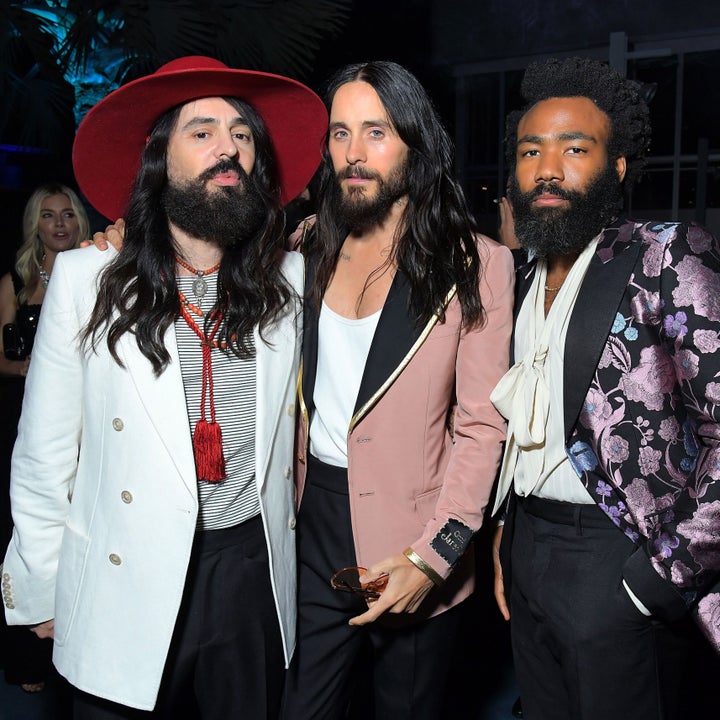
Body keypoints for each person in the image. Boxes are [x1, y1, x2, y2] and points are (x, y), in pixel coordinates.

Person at [2, 55, 326, 717]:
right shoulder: (87, 281)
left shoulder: (290, 283)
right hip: (128, 569)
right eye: (202, 131)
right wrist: (39, 589)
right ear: (159, 157)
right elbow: (43, 455)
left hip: (248, 570)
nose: (228, 148)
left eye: (241, 134)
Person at [281, 60, 514, 720]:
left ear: (416, 143)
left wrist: (434, 556)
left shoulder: (478, 264)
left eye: (376, 132)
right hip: (313, 518)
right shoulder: (306, 248)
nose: (354, 154)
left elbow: (482, 428)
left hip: (412, 532)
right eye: (340, 133)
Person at [491, 56, 720, 720]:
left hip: (618, 555)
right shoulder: (519, 278)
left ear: (616, 165)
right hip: (530, 548)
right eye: (531, 150)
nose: (549, 167)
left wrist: (663, 579)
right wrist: (509, 541)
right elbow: (525, 428)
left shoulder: (665, 253)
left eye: (575, 148)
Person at [0, 183, 89, 695]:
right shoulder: (14, 282)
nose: (59, 224)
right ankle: (27, 656)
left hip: (75, 420)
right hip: (18, 414)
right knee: (24, 528)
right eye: (49, 216)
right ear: (35, 223)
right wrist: (29, 368)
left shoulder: (95, 273)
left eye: (68, 215)